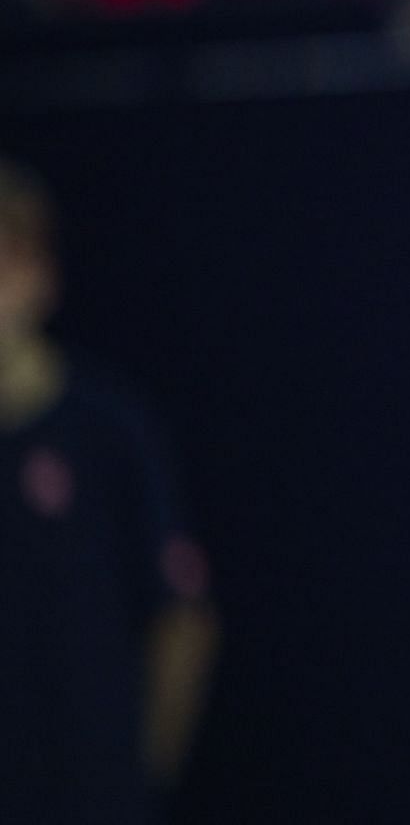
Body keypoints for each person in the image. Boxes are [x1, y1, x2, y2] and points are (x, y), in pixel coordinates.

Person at [0, 160, 219, 824]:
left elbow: (184, 618)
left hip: (87, 795)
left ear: (42, 275)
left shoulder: (109, 428)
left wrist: (134, 776)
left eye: (6, 260)